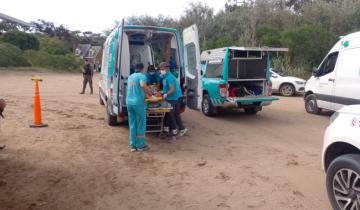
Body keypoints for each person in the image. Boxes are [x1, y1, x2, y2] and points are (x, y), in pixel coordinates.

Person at [126, 63, 153, 152]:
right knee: (141, 124)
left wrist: (144, 93)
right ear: (142, 69)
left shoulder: (130, 76)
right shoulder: (142, 76)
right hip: (138, 103)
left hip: (129, 102)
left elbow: (135, 88)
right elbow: (142, 85)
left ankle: (132, 145)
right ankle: (141, 146)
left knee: (132, 124)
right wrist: (150, 94)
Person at [158, 62, 187, 138]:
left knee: (172, 114)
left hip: (173, 98)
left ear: (167, 69)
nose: (161, 70)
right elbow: (167, 88)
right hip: (174, 97)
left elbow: (172, 89)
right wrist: (162, 92)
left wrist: (166, 94)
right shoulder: (165, 77)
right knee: (172, 114)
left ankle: (176, 130)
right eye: (160, 69)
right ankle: (174, 129)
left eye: (162, 69)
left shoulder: (169, 77)